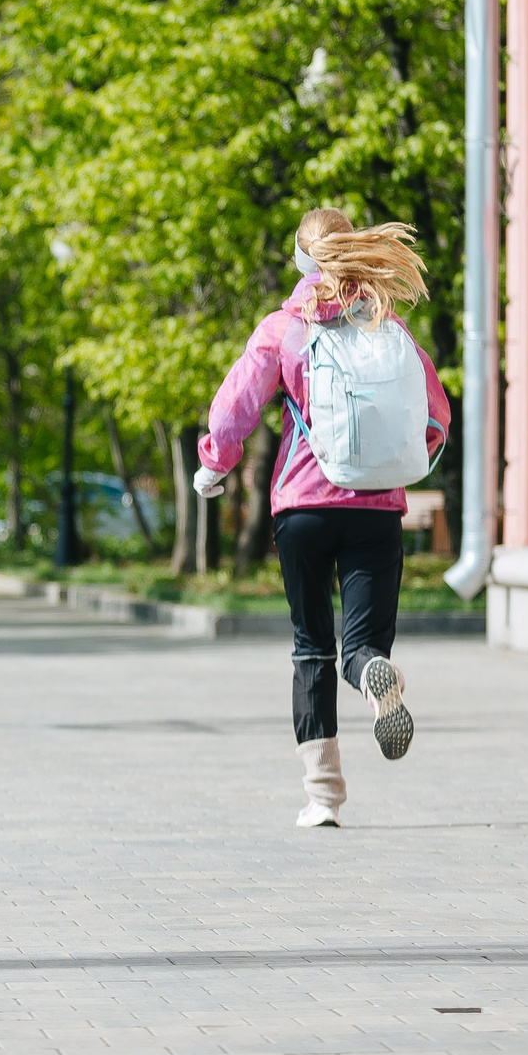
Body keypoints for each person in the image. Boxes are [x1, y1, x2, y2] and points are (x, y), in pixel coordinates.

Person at [198, 210, 450, 828]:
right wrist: (401, 462)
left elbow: (235, 408)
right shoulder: (387, 325)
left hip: (303, 508)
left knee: (311, 646)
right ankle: (373, 672)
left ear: (300, 261)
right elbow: (435, 416)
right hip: (377, 509)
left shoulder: (285, 329)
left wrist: (213, 464)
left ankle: (323, 798)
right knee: (361, 645)